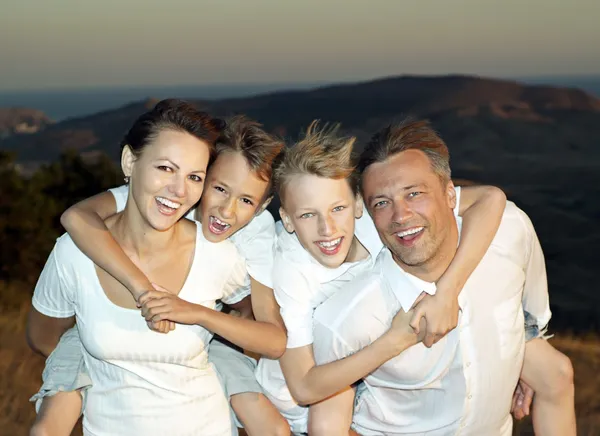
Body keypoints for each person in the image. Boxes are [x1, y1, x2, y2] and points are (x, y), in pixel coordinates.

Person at [28, 115, 291, 436]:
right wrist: (141, 291)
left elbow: (263, 326)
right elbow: (77, 216)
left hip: (207, 336)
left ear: (261, 207)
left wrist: (200, 318)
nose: (227, 210)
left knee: (269, 424)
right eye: (219, 188)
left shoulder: (252, 237)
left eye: (246, 200)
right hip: (100, 338)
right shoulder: (153, 197)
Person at [311, 119, 574, 435]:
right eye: (381, 203)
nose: (400, 216)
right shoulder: (347, 319)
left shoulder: (509, 231)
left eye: (414, 193)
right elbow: (327, 426)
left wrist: (516, 359)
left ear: (452, 195)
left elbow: (530, 315)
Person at [255, 121, 508, 434]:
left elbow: (491, 198)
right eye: (308, 215)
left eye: (337, 208)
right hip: (295, 407)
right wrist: (395, 341)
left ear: (359, 205)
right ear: (288, 220)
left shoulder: (381, 218)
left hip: (353, 372)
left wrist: (448, 292)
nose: (327, 229)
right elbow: (304, 387)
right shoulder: (290, 272)